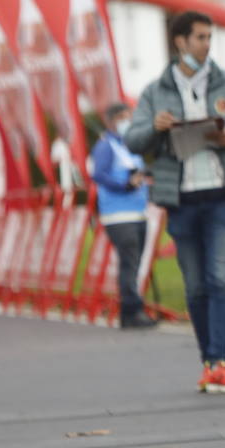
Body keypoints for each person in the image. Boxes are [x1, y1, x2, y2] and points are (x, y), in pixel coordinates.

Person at [125, 10, 225, 393]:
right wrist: (154, 128)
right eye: (200, 37)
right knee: (196, 286)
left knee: (220, 278)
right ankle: (209, 361)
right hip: (180, 198)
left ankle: (221, 362)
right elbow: (132, 140)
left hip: (222, 195)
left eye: (209, 37)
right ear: (180, 41)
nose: (206, 44)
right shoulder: (155, 91)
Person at [90, 102, 156, 330]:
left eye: (129, 117)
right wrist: (125, 184)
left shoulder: (129, 145)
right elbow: (99, 174)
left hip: (138, 212)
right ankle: (132, 311)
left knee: (134, 264)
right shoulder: (106, 145)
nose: (128, 122)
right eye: (122, 118)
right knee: (129, 263)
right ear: (110, 121)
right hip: (118, 215)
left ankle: (132, 311)